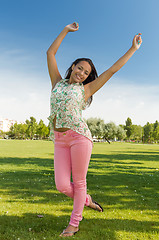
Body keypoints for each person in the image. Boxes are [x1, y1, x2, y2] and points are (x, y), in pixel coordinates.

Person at [47, 22, 142, 237]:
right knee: (62, 185)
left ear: (88, 77)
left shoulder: (86, 90)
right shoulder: (57, 83)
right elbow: (50, 53)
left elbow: (112, 70)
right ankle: (86, 200)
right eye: (79, 67)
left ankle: (74, 224)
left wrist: (133, 49)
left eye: (86, 72)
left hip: (80, 137)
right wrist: (65, 30)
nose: (81, 73)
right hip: (59, 139)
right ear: (72, 67)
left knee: (79, 182)